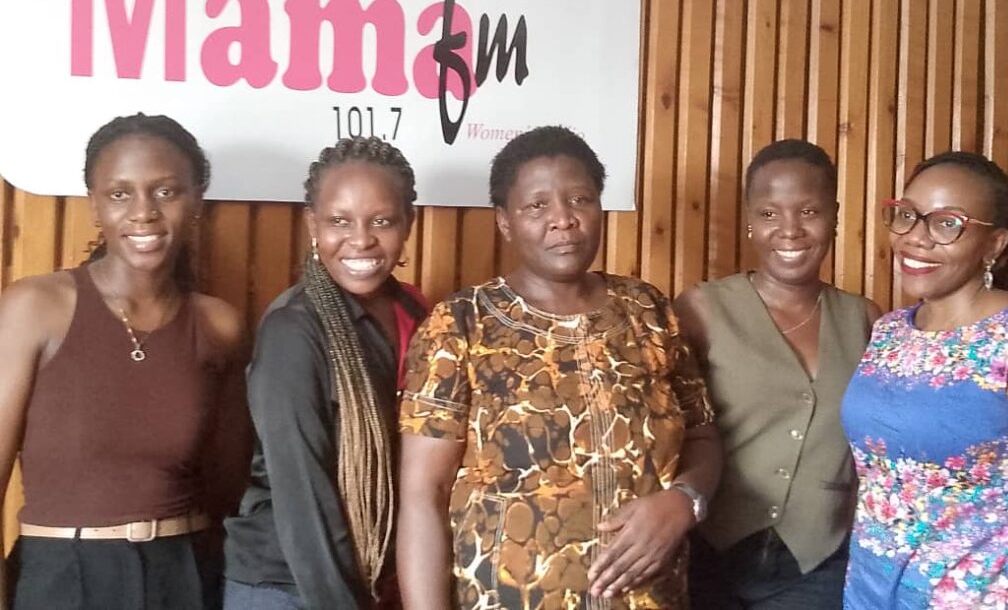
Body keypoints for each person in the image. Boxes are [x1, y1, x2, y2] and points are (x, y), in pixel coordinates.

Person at [397, 125, 721, 610]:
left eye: (580, 200)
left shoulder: (647, 310)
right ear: (505, 222)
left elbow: (703, 435)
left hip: (650, 599)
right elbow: (425, 492)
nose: (563, 220)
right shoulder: (462, 324)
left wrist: (684, 501)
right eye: (537, 206)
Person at [0, 113, 250, 610]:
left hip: (184, 574)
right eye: (120, 194)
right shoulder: (35, 307)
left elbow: (228, 487)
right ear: (94, 204)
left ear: (196, 200)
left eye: (165, 192)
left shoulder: (220, 326)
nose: (143, 213)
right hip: (61, 577)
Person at [222, 136, 427, 610]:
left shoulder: (417, 313)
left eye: (381, 221)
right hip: (290, 585)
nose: (361, 239)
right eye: (339, 221)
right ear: (313, 225)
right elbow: (304, 500)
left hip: (374, 577)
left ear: (408, 224)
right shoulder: (294, 331)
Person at [675, 139, 881, 608]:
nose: (790, 230)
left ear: (834, 216)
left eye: (808, 211)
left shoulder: (865, 319)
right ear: (750, 220)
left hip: (817, 563)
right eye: (769, 213)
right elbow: (668, 426)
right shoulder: (702, 308)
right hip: (709, 552)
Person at [841, 151, 1008, 609]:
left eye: (947, 224)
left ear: (994, 244)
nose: (916, 238)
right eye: (907, 215)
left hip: (971, 595)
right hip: (869, 586)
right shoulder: (889, 331)